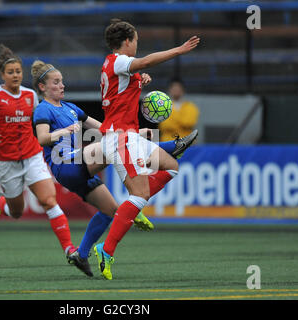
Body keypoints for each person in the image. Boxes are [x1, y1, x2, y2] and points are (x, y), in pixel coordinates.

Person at [93, 18, 200, 279]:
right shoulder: (118, 60)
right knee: (139, 194)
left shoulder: (115, 65)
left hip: (128, 136)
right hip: (120, 138)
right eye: (137, 40)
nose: (138, 45)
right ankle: (106, 249)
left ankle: (134, 205)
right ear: (127, 41)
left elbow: (132, 78)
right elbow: (146, 62)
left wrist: (141, 80)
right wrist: (178, 50)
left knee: (172, 166)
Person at [31, 60, 155, 277]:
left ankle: (81, 254)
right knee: (115, 147)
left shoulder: (71, 108)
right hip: (64, 165)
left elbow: (106, 129)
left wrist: (135, 132)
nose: (62, 86)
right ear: (42, 87)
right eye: (56, 82)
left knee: (110, 211)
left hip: (79, 166)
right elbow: (42, 138)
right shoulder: (43, 108)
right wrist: (64, 132)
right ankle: (170, 148)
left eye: (62, 82)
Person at [0, 44, 77, 259]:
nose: (15, 75)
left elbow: (38, 123)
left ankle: (69, 249)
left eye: (18, 71)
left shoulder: (30, 95)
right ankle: (0, 202)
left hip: (32, 156)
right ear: (3, 75)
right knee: (16, 212)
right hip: (8, 162)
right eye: (11, 72)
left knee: (49, 201)